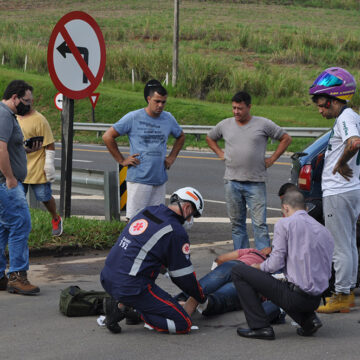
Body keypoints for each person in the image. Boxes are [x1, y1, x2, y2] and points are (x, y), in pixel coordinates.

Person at [100, 187, 206, 334]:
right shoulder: (175, 231)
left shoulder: (148, 211)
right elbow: (183, 277)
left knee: (156, 294)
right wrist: (200, 296)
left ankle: (124, 305)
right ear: (187, 207)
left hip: (107, 276)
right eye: (193, 215)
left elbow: (148, 253)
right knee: (182, 323)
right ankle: (132, 310)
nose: (190, 220)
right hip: (131, 287)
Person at [231, 190, 334, 340]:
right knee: (286, 283)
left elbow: (274, 264)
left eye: (282, 212)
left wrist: (257, 267)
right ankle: (308, 321)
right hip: (316, 300)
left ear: (285, 208)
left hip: (296, 297)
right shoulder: (324, 231)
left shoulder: (285, 224)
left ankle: (260, 327)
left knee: (238, 271)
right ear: (305, 208)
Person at [206, 91, 291, 250]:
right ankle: (242, 259)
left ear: (249, 107)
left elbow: (286, 138)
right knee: (237, 224)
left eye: (240, 108)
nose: (236, 112)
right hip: (232, 182)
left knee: (259, 224)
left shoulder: (263, 124)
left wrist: (271, 159)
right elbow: (210, 137)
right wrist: (220, 153)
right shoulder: (225, 124)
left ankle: (264, 262)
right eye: (233, 108)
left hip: (255, 183)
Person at [309, 67, 360, 313]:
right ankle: (347, 291)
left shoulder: (346, 118)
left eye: (322, 104)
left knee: (340, 245)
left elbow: (354, 142)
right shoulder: (351, 117)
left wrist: (340, 164)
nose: (320, 110)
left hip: (339, 191)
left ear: (335, 99)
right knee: (349, 243)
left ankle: (340, 295)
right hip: (348, 190)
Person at [102, 79, 185, 222]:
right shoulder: (134, 117)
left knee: (156, 221)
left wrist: (171, 158)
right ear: (149, 99)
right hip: (139, 179)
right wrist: (122, 160)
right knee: (135, 221)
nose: (160, 105)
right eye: (157, 101)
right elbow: (108, 136)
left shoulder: (168, 118)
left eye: (163, 102)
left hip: (159, 179)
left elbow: (181, 136)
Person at [0, 80, 40, 295]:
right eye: (26, 101)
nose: (29, 105)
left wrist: (24, 149)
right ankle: (17, 276)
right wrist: (10, 178)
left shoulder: (7, 116)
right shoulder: (4, 115)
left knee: (4, 227)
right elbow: (0, 148)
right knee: (20, 224)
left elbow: (8, 148)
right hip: (6, 182)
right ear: (14, 97)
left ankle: (1, 276)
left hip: (4, 181)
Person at [181, 247, 285, 325]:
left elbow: (220, 259)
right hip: (248, 279)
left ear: (268, 251)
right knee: (224, 295)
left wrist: (214, 272)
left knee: (205, 284)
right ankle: (206, 303)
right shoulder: (277, 267)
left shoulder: (253, 251)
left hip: (235, 266)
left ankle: (180, 300)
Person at [17, 98, 62, 236]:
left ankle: (56, 218)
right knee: (17, 200)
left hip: (37, 168)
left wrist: (49, 166)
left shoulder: (40, 120)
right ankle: (20, 227)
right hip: (18, 168)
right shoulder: (11, 118)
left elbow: (50, 144)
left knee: (44, 197)